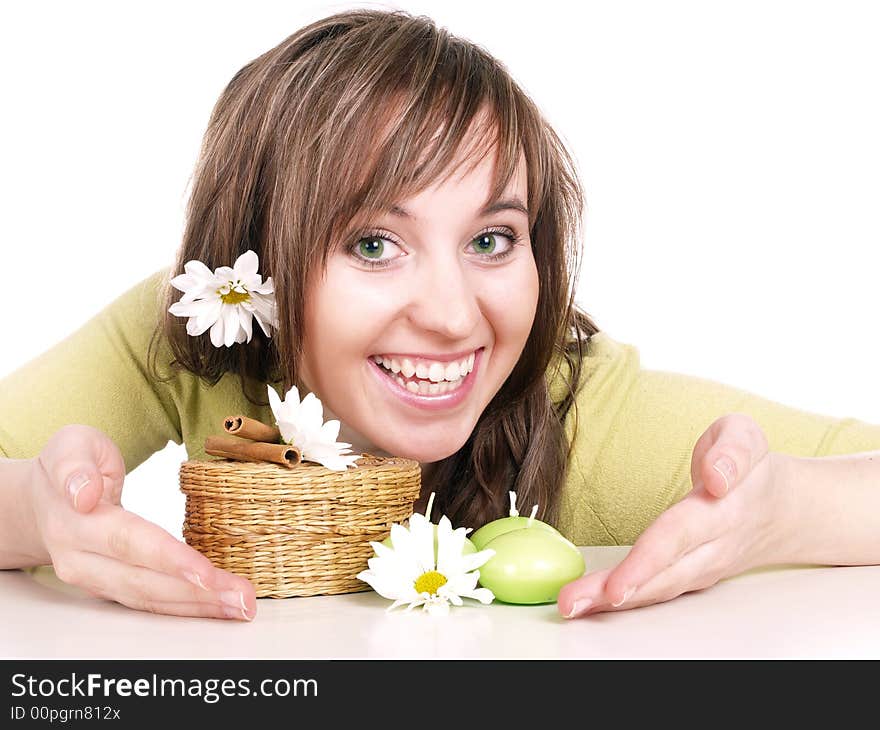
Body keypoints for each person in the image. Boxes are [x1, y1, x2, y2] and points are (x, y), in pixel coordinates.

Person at [1, 8, 879, 624]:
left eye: (492, 240)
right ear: (254, 264)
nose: (457, 317)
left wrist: (784, 511)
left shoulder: (584, 413)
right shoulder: (192, 334)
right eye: (375, 244)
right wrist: (37, 515)